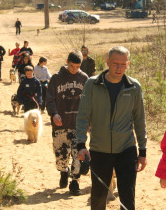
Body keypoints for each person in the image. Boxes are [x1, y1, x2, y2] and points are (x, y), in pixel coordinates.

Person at [76, 46, 147, 210]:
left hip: (126, 149)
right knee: (99, 197)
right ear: (107, 62)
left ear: (128, 64)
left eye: (123, 64)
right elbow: (83, 116)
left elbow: (139, 120)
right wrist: (81, 145)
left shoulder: (134, 87)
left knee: (128, 199)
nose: (119, 68)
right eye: (115, 63)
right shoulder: (92, 84)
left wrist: (142, 151)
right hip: (99, 150)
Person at [46, 51, 88, 196]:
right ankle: (63, 171)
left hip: (78, 126)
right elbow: (49, 99)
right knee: (61, 156)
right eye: (71, 66)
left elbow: (89, 102)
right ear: (66, 61)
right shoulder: (56, 78)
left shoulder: (84, 78)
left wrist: (89, 120)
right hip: (60, 125)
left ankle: (75, 181)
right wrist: (54, 113)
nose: (74, 69)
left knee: (77, 154)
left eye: (77, 67)